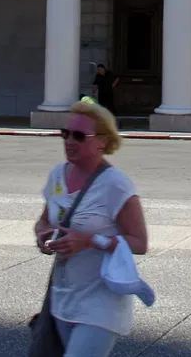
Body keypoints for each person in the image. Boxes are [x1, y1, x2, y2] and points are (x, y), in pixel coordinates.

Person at [33, 100, 148, 357]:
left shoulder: (116, 184)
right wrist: (43, 236)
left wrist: (89, 240)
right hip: (62, 300)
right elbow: (44, 220)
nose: (69, 141)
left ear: (102, 142)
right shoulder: (56, 176)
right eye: (65, 134)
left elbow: (140, 243)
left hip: (101, 305)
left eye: (79, 136)